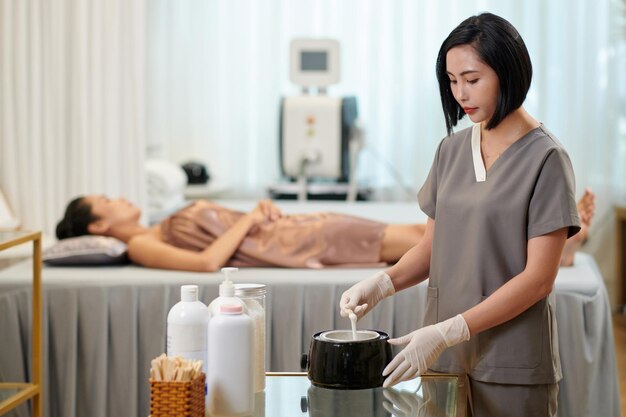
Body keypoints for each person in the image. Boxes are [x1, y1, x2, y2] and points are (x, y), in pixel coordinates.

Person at [339, 13, 581, 417]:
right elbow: (432, 247)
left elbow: (539, 279)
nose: (460, 94)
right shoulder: (450, 152)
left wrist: (448, 330)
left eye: (471, 79)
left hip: (511, 363)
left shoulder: (546, 158)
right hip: (444, 362)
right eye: (452, 81)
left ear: (507, 72)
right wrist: (382, 283)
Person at [55, 196, 425, 271]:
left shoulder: (157, 225)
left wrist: (258, 213)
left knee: (420, 232)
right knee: (420, 238)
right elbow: (206, 262)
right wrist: (249, 218)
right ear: (98, 227)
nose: (118, 198)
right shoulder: (140, 244)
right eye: (106, 200)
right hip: (294, 241)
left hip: (291, 227)